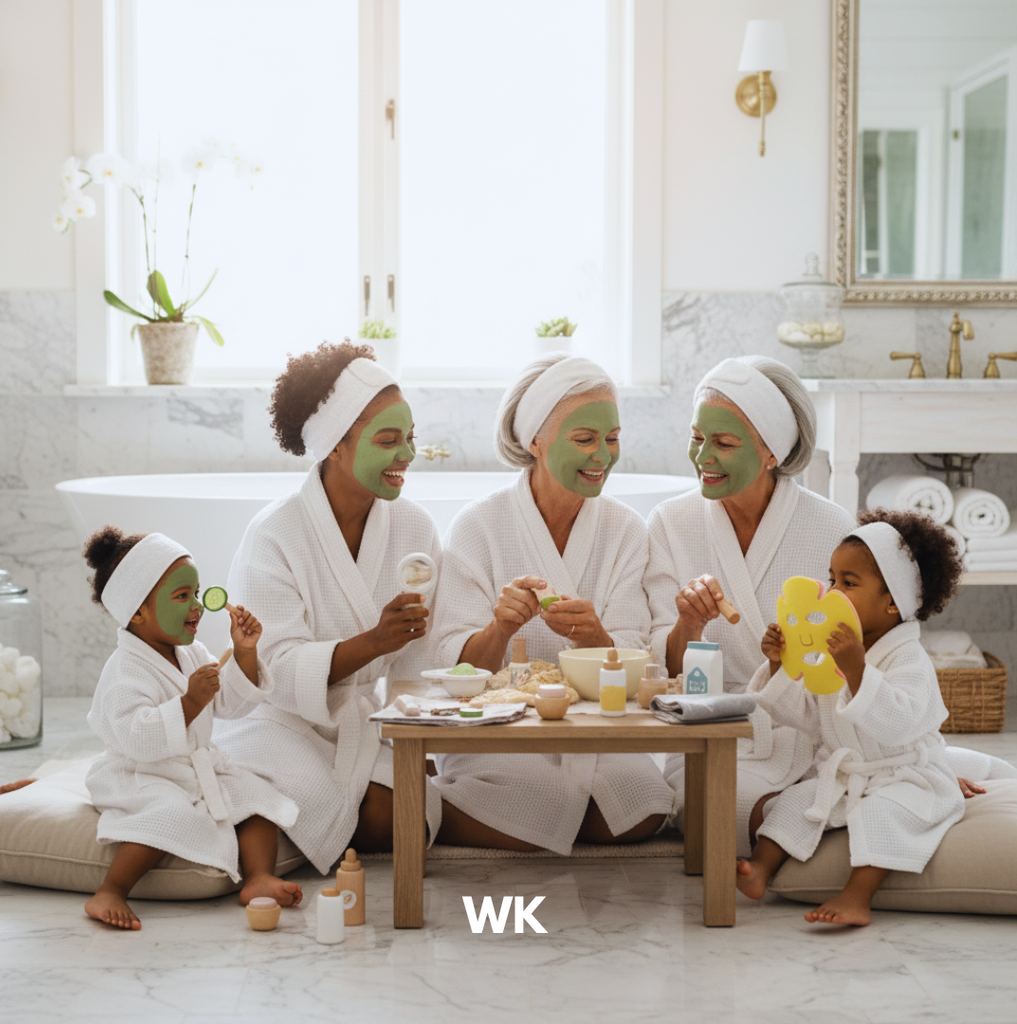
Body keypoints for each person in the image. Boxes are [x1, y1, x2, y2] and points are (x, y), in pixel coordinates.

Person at [645, 355, 1012, 857]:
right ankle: (849, 816)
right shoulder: (669, 522)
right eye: (696, 437)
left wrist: (916, 765)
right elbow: (664, 673)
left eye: (724, 443)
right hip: (720, 733)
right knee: (717, 809)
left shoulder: (830, 525)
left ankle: (869, 801)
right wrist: (688, 624)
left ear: (771, 453)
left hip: (827, 733)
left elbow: (878, 650)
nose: (703, 455)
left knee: (982, 774)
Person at [213, 341, 444, 874]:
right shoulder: (275, 534)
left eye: (410, 438)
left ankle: (278, 822)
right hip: (277, 721)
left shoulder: (415, 527)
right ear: (334, 446)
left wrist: (421, 747)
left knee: (404, 815)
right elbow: (272, 670)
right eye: (388, 440)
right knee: (330, 802)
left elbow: (419, 659)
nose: (407, 455)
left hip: (365, 724)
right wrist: (373, 642)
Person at [429, 354, 674, 853]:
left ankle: (479, 816)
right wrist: (499, 629)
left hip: (591, 725)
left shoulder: (625, 529)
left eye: (612, 438)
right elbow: (452, 668)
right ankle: (430, 811)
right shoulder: (477, 526)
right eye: (584, 439)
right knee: (542, 798)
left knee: (644, 805)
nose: (602, 455)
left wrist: (596, 637)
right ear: (535, 442)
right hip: (500, 726)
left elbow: (637, 660)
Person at [737, 510, 967, 926]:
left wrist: (859, 672)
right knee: (794, 801)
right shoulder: (832, 652)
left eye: (849, 583)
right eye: (832, 580)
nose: (832, 593)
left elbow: (900, 723)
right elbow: (809, 716)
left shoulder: (908, 658)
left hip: (902, 776)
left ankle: (857, 896)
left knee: (882, 813)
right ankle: (760, 869)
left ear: (892, 601)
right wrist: (778, 665)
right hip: (848, 771)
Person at [81, 527, 299, 930]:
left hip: (191, 767)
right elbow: (137, 737)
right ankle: (111, 890)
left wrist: (245, 652)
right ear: (137, 612)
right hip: (142, 772)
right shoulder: (124, 671)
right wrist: (189, 703)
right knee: (169, 813)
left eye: (197, 593)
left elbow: (228, 704)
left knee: (255, 796)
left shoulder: (191, 653)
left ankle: (258, 877)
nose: (197, 606)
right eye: (182, 596)